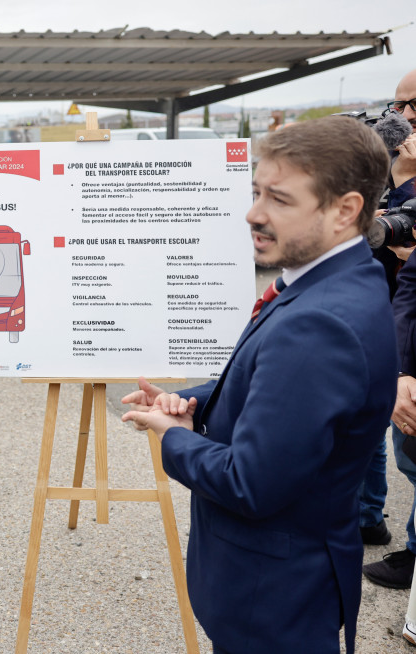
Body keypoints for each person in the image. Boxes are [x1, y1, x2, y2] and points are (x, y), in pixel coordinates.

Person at [122, 116, 396, 654]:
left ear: (345, 210)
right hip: (282, 587)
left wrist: (171, 435)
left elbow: (252, 484)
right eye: (255, 192)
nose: (253, 213)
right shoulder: (336, 281)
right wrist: (196, 401)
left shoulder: (320, 324)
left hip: (271, 599)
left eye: (279, 199)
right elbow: (278, 388)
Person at [363, 67, 416, 589]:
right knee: (370, 422)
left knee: (411, 450)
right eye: (397, 104)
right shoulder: (393, 170)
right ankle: (367, 518)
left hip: (408, 335)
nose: (400, 117)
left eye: (412, 105)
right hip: (386, 319)